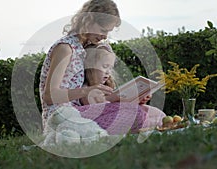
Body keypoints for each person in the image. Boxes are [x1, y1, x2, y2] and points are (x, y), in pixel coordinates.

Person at [39, 0, 165, 135]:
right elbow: (49, 96)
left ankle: (96, 132)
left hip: (79, 112)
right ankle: (85, 134)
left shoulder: (83, 49)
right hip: (61, 118)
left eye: (108, 32)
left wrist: (134, 98)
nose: (105, 36)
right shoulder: (65, 48)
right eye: (103, 30)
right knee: (135, 113)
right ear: (88, 21)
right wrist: (87, 91)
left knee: (145, 111)